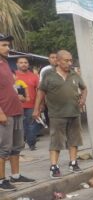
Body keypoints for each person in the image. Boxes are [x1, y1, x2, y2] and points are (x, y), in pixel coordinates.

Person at [33, 50, 87, 179]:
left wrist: (83, 99)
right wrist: (36, 109)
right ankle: (54, 167)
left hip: (74, 113)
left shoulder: (74, 74)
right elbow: (41, 92)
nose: (69, 63)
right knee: (56, 141)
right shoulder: (48, 75)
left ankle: (73, 163)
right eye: (66, 60)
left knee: (74, 140)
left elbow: (84, 88)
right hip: (57, 114)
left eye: (70, 60)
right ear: (57, 61)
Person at [0, 33, 35, 191]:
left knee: (17, 146)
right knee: (3, 148)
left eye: (8, 45)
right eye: (4, 45)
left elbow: (8, 86)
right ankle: (1, 181)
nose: (8, 48)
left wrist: (17, 95)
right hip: (4, 112)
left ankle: (15, 175)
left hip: (16, 110)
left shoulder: (5, 63)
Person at [14, 57, 41, 150]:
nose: (23, 64)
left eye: (25, 62)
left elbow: (39, 91)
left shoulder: (34, 76)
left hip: (31, 105)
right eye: (21, 62)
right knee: (18, 126)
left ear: (28, 64)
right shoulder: (13, 75)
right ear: (17, 64)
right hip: (16, 106)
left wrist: (40, 105)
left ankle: (32, 144)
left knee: (31, 125)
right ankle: (19, 145)